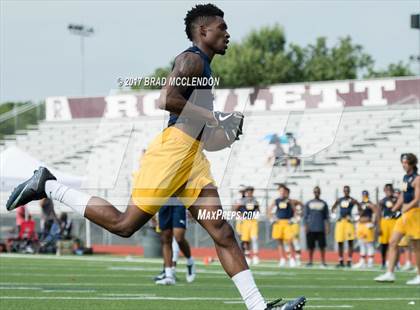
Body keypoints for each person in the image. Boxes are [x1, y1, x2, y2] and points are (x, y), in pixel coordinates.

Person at [6, 4, 305, 309]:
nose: (227, 34)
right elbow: (166, 98)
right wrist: (216, 117)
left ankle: (259, 307)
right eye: (222, 28)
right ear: (203, 31)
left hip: (192, 155)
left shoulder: (206, 68)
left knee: (221, 230)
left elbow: (200, 127)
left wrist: (225, 134)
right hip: (173, 152)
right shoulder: (192, 60)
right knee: (124, 225)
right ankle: (49, 186)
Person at [375, 153, 420, 285]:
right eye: (403, 162)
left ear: (412, 163)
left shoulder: (417, 178)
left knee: (417, 247)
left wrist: (406, 208)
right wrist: (395, 208)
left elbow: (417, 199)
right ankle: (390, 273)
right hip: (405, 214)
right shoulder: (405, 178)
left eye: (406, 163)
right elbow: (403, 195)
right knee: (393, 241)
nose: (404, 165)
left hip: (414, 214)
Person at [155, 198, 196, 285]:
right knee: (166, 238)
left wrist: (192, 207)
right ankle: (169, 275)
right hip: (164, 201)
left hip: (179, 201)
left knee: (179, 238)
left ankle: (190, 261)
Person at [269, 185, 301, 268]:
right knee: (279, 242)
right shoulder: (276, 200)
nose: (282, 192)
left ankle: (292, 259)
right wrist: (272, 218)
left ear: (286, 192)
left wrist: (294, 219)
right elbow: (269, 210)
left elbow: (295, 211)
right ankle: (282, 259)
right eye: (280, 191)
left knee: (289, 241)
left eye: (283, 191)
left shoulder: (289, 201)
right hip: (278, 223)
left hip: (287, 222)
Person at [331, 185, 361, 268]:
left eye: (347, 190)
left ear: (349, 191)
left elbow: (360, 208)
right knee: (340, 241)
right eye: (345, 190)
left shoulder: (352, 200)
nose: (346, 192)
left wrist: (355, 217)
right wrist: (335, 216)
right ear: (343, 191)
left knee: (350, 241)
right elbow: (333, 208)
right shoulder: (340, 200)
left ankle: (349, 260)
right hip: (341, 222)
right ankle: (340, 260)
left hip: (349, 222)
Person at [303, 186, 329, 267]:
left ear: (320, 193)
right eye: (315, 192)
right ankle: (310, 261)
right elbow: (305, 216)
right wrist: (306, 226)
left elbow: (326, 217)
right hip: (311, 228)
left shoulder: (324, 203)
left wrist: (327, 227)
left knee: (322, 246)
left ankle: (323, 261)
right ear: (313, 192)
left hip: (320, 228)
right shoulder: (309, 203)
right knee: (311, 246)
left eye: (318, 192)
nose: (316, 193)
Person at [234, 186, 260, 265]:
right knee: (245, 240)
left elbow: (258, 209)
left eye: (251, 191)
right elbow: (236, 209)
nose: (249, 193)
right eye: (248, 192)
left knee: (254, 238)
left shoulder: (255, 200)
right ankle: (247, 256)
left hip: (253, 221)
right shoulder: (242, 200)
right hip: (245, 221)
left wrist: (257, 215)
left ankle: (255, 256)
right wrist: (240, 215)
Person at [354, 191, 377, 269]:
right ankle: (362, 262)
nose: (364, 196)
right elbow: (359, 213)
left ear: (368, 195)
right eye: (363, 195)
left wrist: (373, 222)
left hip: (367, 225)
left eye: (366, 195)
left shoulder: (371, 204)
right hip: (361, 225)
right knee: (361, 244)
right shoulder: (360, 204)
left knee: (369, 244)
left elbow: (375, 212)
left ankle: (370, 262)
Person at [377, 184, 398, 269]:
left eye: (390, 189)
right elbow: (379, 213)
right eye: (387, 189)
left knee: (394, 243)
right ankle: (383, 262)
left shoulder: (397, 199)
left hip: (394, 221)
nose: (389, 191)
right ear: (384, 190)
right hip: (385, 222)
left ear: (393, 190)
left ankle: (395, 263)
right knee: (384, 244)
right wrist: (378, 227)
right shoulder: (382, 201)